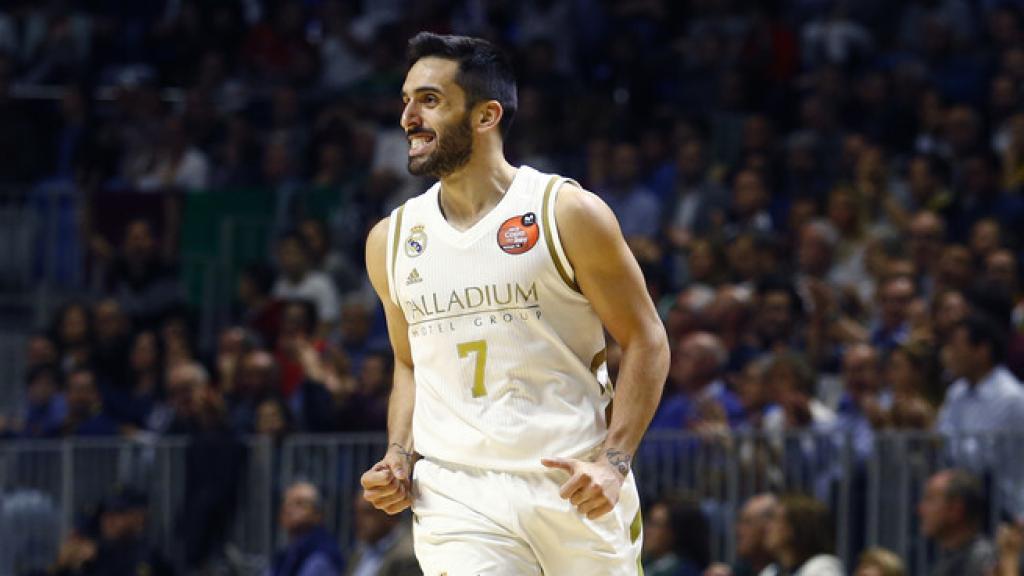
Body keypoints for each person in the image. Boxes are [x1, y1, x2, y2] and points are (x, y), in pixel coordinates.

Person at [360, 32, 670, 575]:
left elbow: (646, 338)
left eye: (430, 100)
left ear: (486, 116)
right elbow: (409, 362)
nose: (409, 117)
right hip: (457, 495)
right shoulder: (391, 239)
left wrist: (614, 462)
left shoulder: (566, 211)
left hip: (573, 483)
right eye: (406, 100)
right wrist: (399, 454)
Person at [918, 469, 997, 576]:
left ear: (955, 510)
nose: (921, 509)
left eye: (930, 499)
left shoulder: (984, 563)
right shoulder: (949, 561)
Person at [268, 482, 345, 576]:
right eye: (286, 503)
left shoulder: (322, 555)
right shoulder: (286, 553)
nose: (289, 509)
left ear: (318, 514)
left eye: (299, 503)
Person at [762, 494, 844, 575]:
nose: (768, 527)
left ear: (797, 527)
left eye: (776, 520)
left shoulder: (822, 567)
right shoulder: (770, 571)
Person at [704, 493, 779, 576]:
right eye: (740, 521)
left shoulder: (786, 571)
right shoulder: (738, 571)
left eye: (748, 522)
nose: (738, 531)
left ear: (769, 528)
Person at [345, 495, 419, 576]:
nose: (358, 520)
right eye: (356, 513)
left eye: (367, 512)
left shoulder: (409, 555)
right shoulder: (359, 552)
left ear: (390, 513)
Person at [642, 493, 710, 576]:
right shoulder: (645, 563)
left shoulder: (685, 572)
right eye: (648, 521)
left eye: (656, 524)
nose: (647, 530)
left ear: (675, 532)